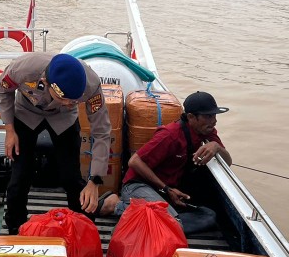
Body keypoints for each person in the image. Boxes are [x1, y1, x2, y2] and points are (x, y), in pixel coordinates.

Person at [0, 52, 112, 234]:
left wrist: (95, 180)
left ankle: (83, 227)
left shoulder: (91, 85)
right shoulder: (23, 69)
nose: (69, 102)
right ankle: (15, 227)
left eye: (73, 100)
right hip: (27, 111)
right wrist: (9, 130)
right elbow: (4, 90)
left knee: (71, 177)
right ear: (45, 81)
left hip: (64, 118)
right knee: (20, 175)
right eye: (64, 99)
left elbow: (101, 132)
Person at [96, 91, 232, 231]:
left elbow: (228, 162)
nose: (214, 121)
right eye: (208, 116)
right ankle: (115, 205)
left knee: (209, 215)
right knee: (169, 223)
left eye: (214, 115)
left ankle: (155, 208)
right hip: (139, 185)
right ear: (191, 117)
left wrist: (216, 147)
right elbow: (134, 162)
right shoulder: (170, 135)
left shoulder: (207, 130)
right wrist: (166, 189)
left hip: (166, 188)